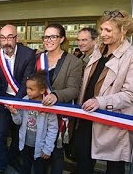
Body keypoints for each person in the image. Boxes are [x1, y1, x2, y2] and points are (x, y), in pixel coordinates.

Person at [78, 9, 133, 174]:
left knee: (114, 168)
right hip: (87, 115)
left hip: (113, 120)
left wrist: (100, 101)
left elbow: (131, 95)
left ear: (123, 31)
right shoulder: (98, 50)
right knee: (83, 163)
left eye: (108, 30)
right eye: (101, 29)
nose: (102, 34)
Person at [0, 24, 36, 174]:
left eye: (10, 37)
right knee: (0, 134)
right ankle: (1, 166)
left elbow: (26, 82)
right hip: (3, 98)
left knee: (18, 134)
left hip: (20, 99)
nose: (6, 41)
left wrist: (16, 103)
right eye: (3, 38)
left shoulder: (28, 54)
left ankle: (12, 158)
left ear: (16, 38)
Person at [38, 23, 82, 174]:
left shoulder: (73, 62)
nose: (48, 40)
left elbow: (74, 90)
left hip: (59, 116)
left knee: (56, 153)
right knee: (38, 151)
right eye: (45, 37)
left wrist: (56, 95)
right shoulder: (38, 58)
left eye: (53, 37)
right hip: (40, 112)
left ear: (62, 39)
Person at [6, 71, 58, 174]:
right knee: (25, 167)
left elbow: (53, 129)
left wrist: (48, 149)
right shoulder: (24, 100)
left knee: (40, 170)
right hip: (25, 144)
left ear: (42, 90)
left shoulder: (48, 106)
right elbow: (18, 122)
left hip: (41, 147)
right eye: (27, 88)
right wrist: (14, 113)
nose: (28, 91)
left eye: (31, 89)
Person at [74, 27, 98, 173]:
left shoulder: (98, 59)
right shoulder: (82, 59)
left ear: (94, 41)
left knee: (88, 148)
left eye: (84, 40)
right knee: (81, 146)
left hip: (93, 108)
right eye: (79, 40)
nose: (80, 43)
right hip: (80, 107)